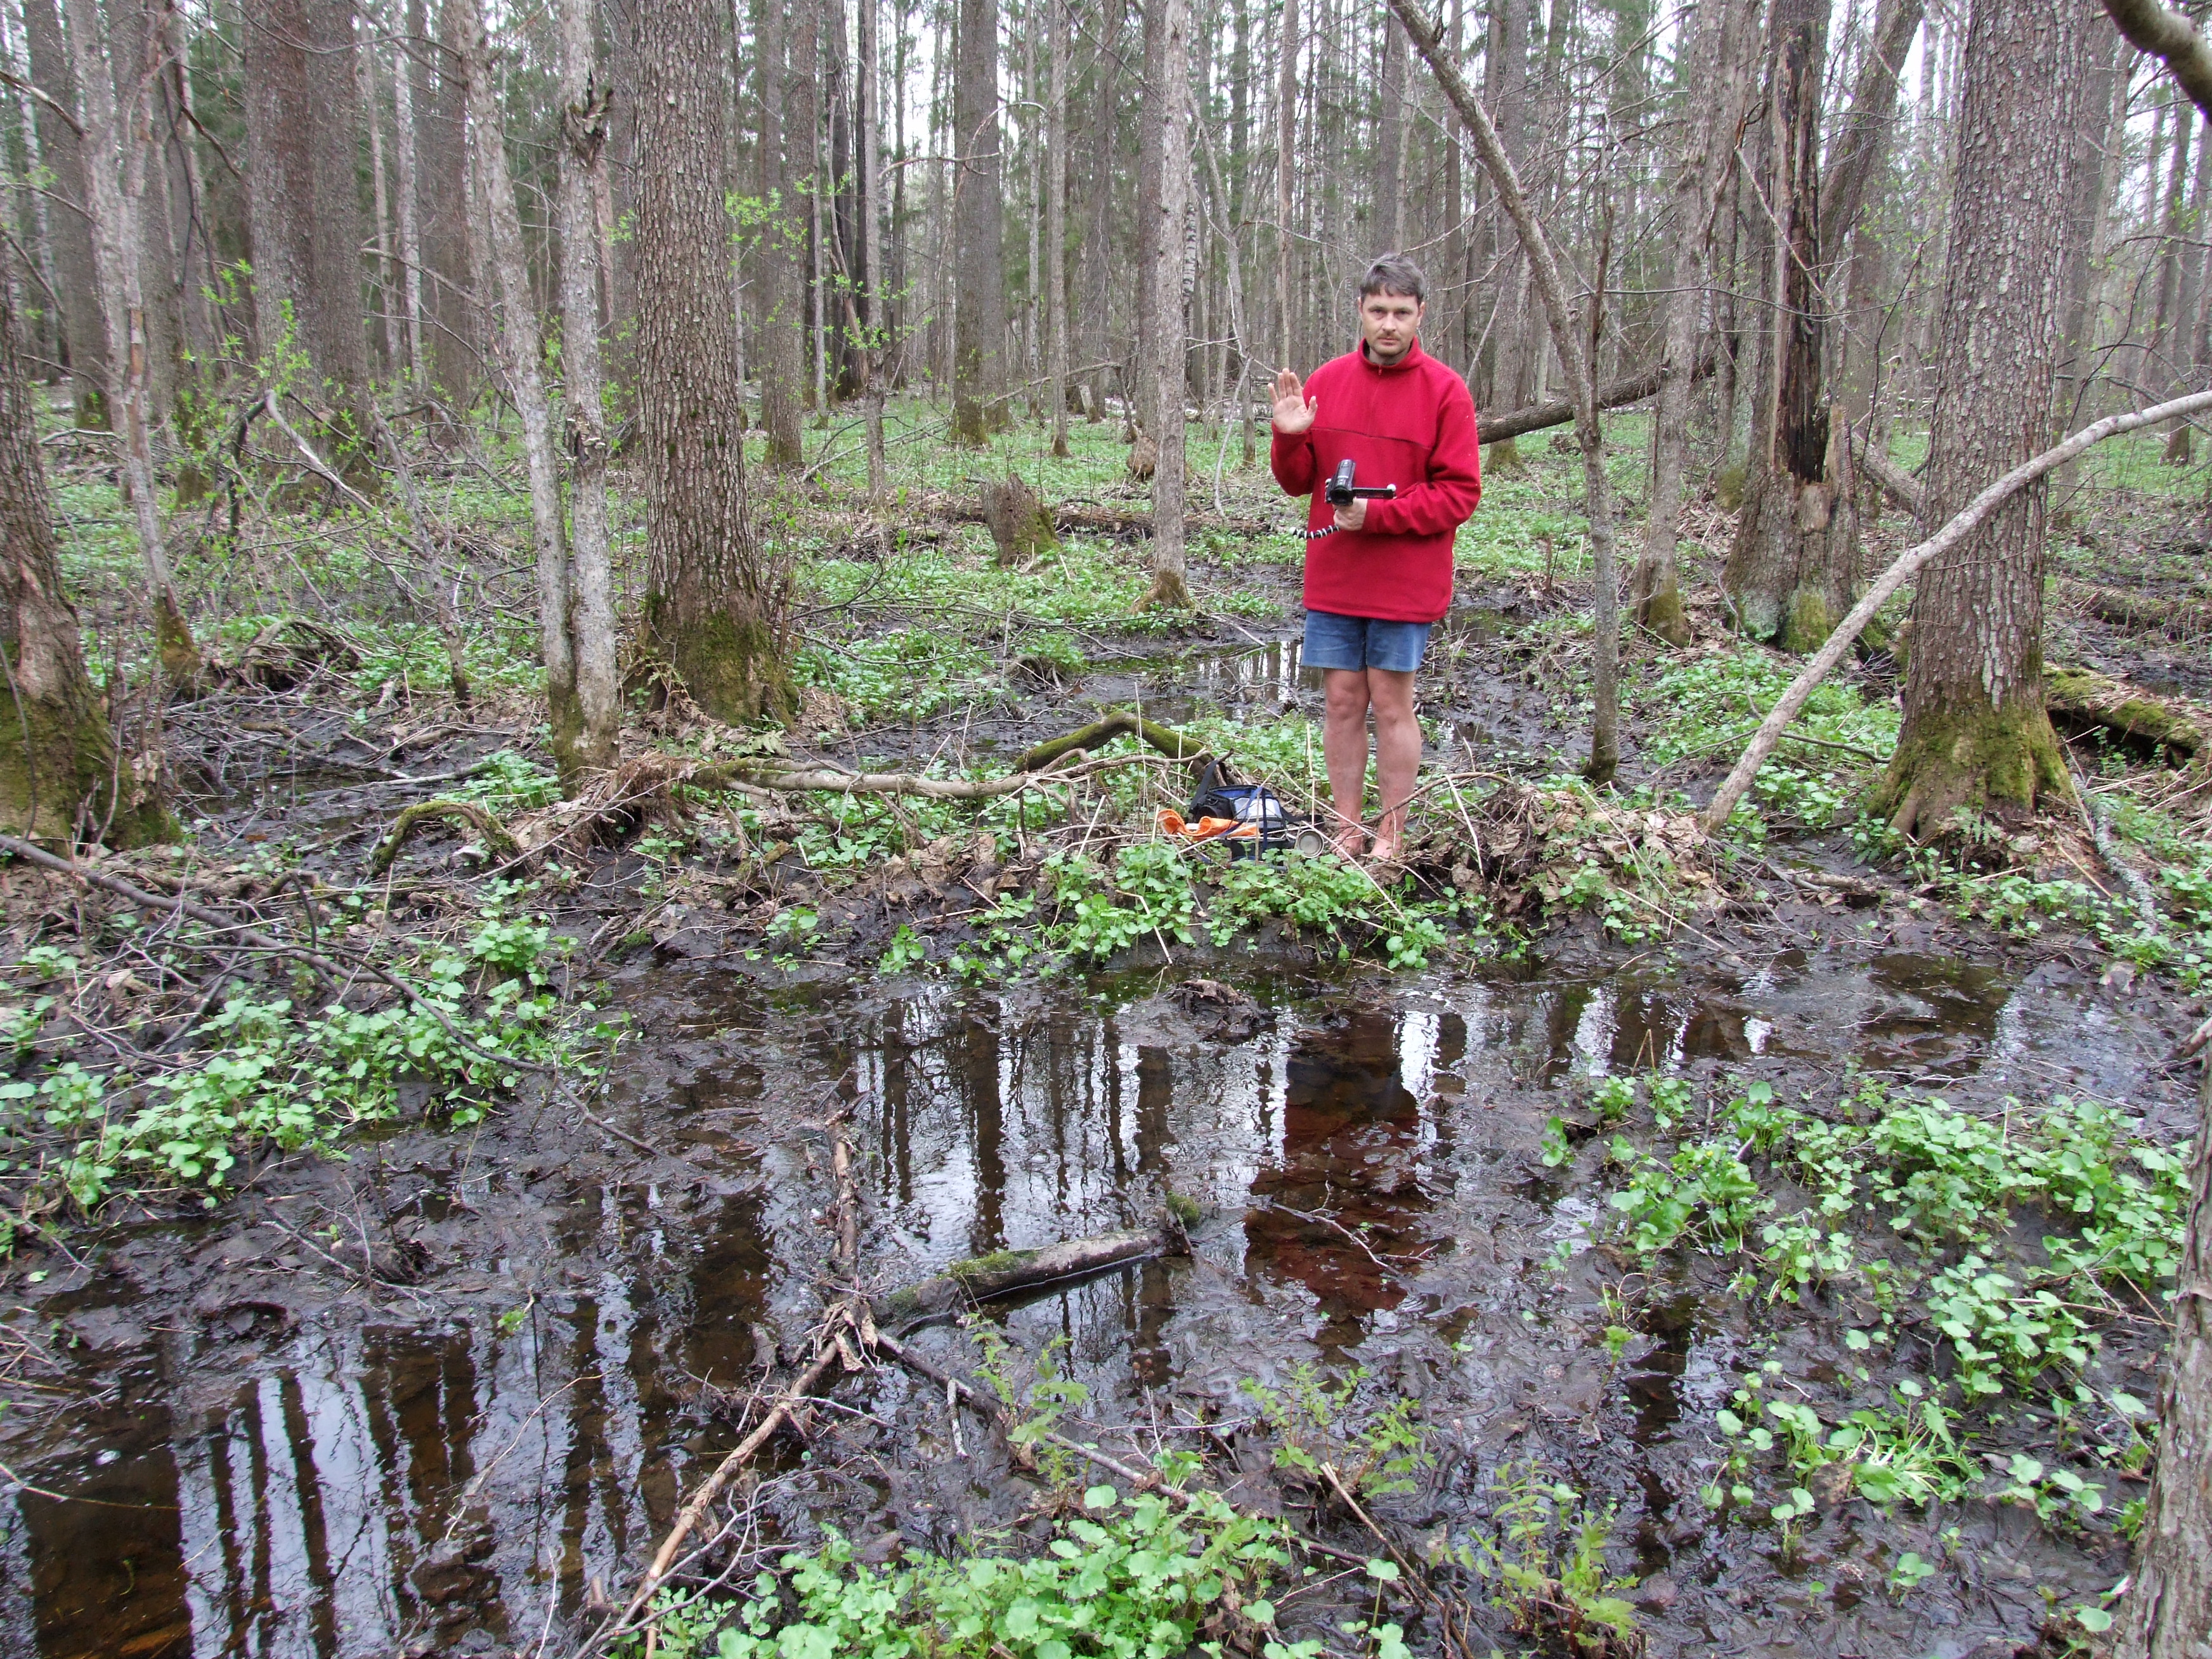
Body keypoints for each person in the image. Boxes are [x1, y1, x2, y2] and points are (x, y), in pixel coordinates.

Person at [1269, 253, 1481, 862]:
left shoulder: (1445, 391)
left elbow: (1460, 493)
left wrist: (1380, 515)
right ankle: (1347, 827)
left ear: (1420, 315)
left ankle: (1391, 832)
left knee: (1391, 703)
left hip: (1405, 582)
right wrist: (1288, 437)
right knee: (1341, 701)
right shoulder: (1328, 381)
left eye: (1401, 313)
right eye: (1379, 311)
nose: (1389, 324)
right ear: (1361, 311)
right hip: (1336, 577)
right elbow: (1297, 481)